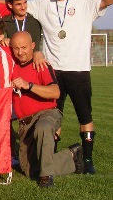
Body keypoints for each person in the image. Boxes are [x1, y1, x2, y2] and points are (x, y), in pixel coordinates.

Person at [26, 0, 113, 174]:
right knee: (53, 116)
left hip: (78, 70)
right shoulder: (43, 3)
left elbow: (107, 0)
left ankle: (88, 160)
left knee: (85, 116)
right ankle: (52, 157)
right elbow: (18, 4)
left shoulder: (84, 2)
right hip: (53, 71)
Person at [10, 31, 84, 187]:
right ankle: (71, 156)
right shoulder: (11, 65)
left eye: (24, 47)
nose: (20, 52)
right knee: (29, 170)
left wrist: (29, 85)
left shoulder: (41, 65)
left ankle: (46, 176)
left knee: (42, 126)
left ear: (33, 46)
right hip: (25, 124)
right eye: (16, 48)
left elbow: (55, 92)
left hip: (46, 115)